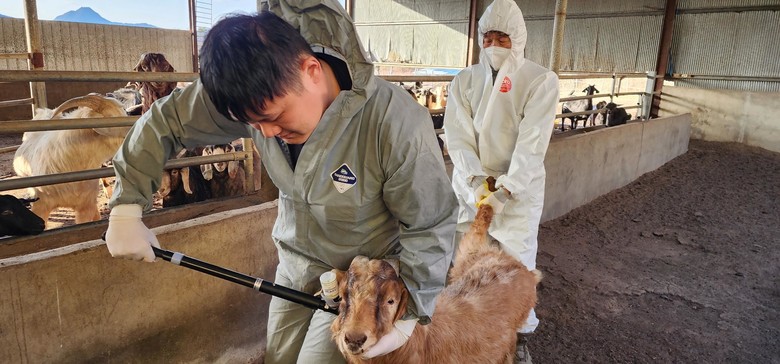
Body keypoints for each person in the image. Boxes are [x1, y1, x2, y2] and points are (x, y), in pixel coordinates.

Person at [104, 1, 457, 363]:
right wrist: (127, 205)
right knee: (280, 355)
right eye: (252, 124)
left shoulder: (393, 122)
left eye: (273, 118)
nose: (267, 133)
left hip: (361, 279)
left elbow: (429, 223)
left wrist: (407, 315)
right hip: (296, 263)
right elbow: (167, 120)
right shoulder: (253, 88)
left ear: (311, 70)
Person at [443, 0, 559, 363]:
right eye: (488, 37)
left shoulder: (539, 80)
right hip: (473, 186)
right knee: (468, 261)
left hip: (517, 189)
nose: (494, 44)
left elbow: (532, 142)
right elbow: (457, 135)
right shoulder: (465, 80)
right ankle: (466, 327)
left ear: (518, 40)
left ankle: (518, 336)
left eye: (503, 38)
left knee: (515, 262)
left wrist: (506, 189)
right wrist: (477, 180)